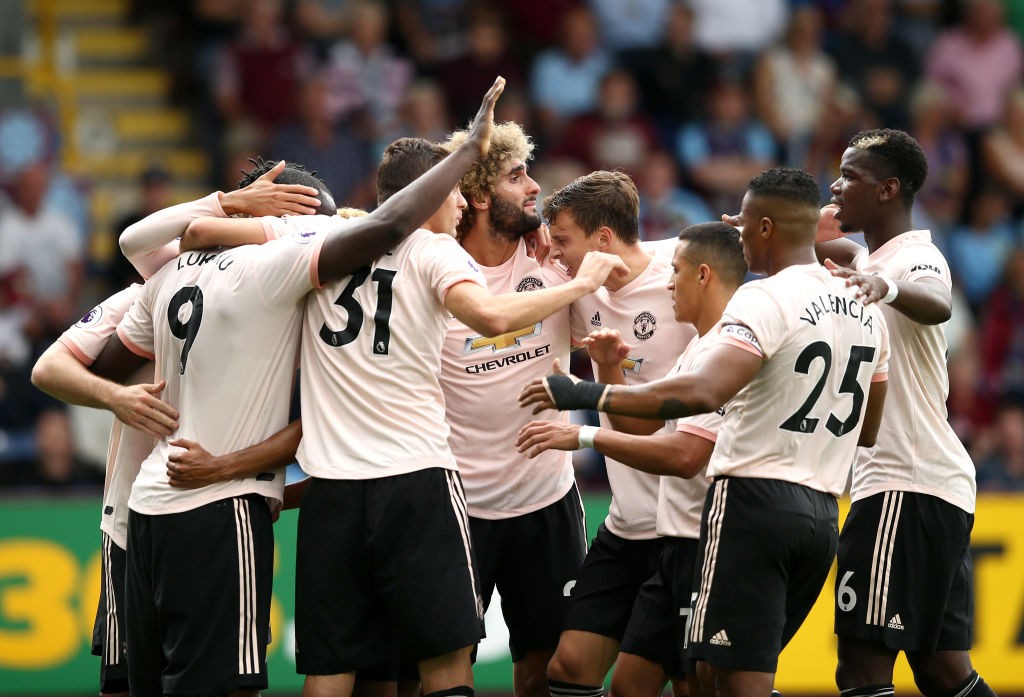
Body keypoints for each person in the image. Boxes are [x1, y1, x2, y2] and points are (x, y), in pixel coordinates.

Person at [86, 77, 507, 697]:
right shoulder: (282, 266)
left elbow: (103, 329)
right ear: (290, 218)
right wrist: (468, 151)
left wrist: (224, 205)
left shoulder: (167, 273)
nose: (331, 224)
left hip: (140, 509)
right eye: (321, 217)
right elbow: (389, 227)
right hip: (226, 503)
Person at [521, 167, 890, 697]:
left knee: (723, 681)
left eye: (746, 224)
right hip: (820, 508)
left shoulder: (756, 307)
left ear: (764, 228)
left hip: (747, 506)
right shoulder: (863, 305)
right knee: (655, 681)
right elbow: (868, 430)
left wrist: (585, 401)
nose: (738, 234)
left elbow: (701, 399)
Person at [29, 161, 326, 697]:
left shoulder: (273, 296)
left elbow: (321, 422)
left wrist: (263, 483)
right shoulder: (163, 281)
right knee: (160, 683)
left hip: (179, 506)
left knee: (198, 679)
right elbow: (49, 368)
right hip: (143, 512)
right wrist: (116, 397)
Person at [517, 221, 748, 697]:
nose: (668, 282)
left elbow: (684, 457)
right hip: (640, 525)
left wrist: (584, 430)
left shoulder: (727, 353)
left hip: (701, 536)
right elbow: (642, 426)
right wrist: (605, 371)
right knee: (594, 674)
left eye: (676, 272)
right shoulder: (697, 347)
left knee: (704, 684)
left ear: (703, 275)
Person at [816, 128, 998, 697]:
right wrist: (758, 230)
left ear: (889, 189)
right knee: (942, 670)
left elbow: (937, 303)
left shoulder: (916, 257)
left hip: (903, 482)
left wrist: (885, 287)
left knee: (861, 664)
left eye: (850, 176)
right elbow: (824, 248)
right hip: (928, 483)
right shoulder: (871, 256)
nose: (836, 186)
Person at [526, 170, 696, 697]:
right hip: (626, 522)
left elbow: (653, 424)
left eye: (564, 241)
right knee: (569, 667)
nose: (555, 253)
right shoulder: (578, 289)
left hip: (687, 523)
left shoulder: (684, 280)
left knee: (690, 683)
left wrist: (601, 375)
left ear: (603, 238)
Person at [438, 120, 582, 697]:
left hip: (547, 500)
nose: (534, 187)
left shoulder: (554, 260)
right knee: (446, 669)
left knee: (545, 668)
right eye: (516, 176)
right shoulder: (434, 271)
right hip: (458, 507)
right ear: (476, 196)